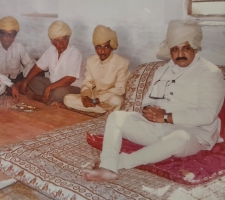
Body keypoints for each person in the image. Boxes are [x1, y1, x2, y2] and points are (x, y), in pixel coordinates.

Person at [82, 20, 225, 182]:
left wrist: (165, 117)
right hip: (157, 128)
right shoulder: (163, 70)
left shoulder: (210, 73)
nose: (179, 55)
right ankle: (108, 167)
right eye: (174, 49)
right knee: (116, 117)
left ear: (195, 48)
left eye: (185, 48)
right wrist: (148, 111)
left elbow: (207, 115)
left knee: (178, 137)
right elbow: (147, 101)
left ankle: (120, 162)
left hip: (193, 135)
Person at [64, 25, 129, 113]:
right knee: (67, 99)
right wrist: (86, 98)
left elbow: (120, 89)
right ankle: (102, 110)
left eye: (106, 47)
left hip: (109, 98)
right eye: (99, 47)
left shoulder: (122, 62)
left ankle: (95, 108)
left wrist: (96, 100)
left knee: (117, 101)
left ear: (111, 47)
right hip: (93, 97)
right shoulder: (91, 61)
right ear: (95, 48)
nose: (102, 51)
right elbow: (87, 83)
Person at [19, 20, 83, 106]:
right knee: (32, 79)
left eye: (64, 40)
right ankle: (48, 97)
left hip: (71, 87)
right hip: (53, 85)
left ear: (69, 39)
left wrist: (48, 88)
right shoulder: (51, 50)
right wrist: (25, 81)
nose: (61, 44)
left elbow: (70, 79)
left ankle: (37, 97)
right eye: (57, 41)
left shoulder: (74, 53)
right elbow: (38, 67)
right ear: (52, 41)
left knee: (58, 93)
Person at [0, 16, 34, 89]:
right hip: (0, 80)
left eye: (12, 35)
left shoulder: (19, 46)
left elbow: (29, 64)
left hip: (16, 79)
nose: (9, 38)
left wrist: (24, 80)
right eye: (6, 34)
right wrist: (7, 84)